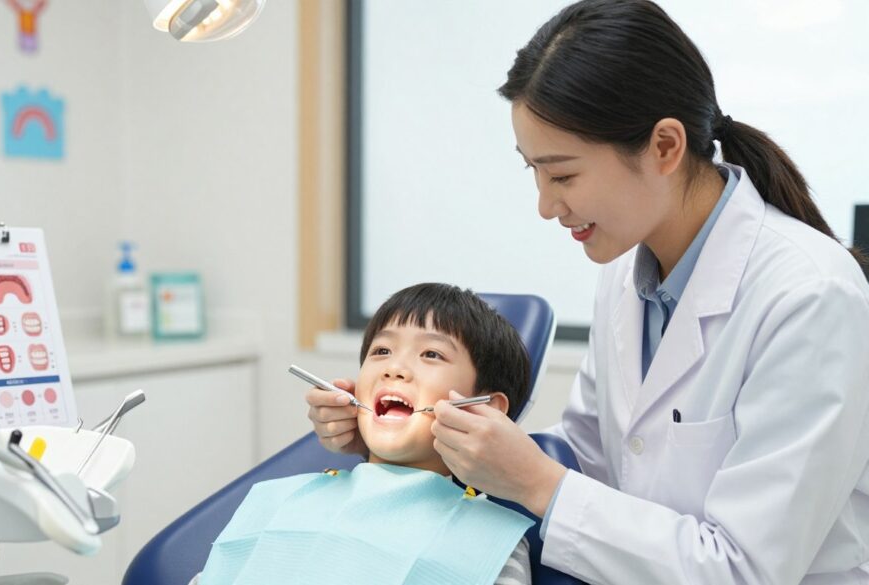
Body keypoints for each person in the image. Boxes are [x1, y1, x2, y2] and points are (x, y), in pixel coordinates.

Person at [307, 1, 869, 583]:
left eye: (564, 175)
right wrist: (413, 445)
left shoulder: (810, 297)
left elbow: (744, 569)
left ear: (665, 147)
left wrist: (533, 480)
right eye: (535, 172)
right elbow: (590, 457)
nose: (547, 206)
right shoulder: (629, 275)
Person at [192, 283, 536, 585]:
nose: (394, 368)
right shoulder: (281, 500)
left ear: (485, 410)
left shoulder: (491, 542)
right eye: (381, 351)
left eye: (431, 354)